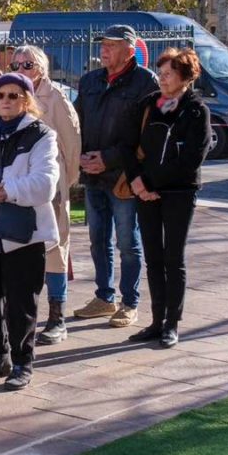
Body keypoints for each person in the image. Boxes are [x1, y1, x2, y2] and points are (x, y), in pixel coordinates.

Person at [0, 73, 59, 391]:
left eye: (14, 95)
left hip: (25, 234)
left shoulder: (41, 135)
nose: (6, 101)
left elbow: (45, 184)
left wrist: (2, 191)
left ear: (26, 99)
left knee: (22, 303)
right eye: (0, 96)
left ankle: (23, 362)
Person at [122, 48, 211, 349]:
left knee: (173, 258)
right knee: (153, 258)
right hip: (145, 193)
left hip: (179, 193)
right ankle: (156, 320)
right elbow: (127, 144)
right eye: (160, 73)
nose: (162, 78)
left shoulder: (196, 110)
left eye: (168, 73)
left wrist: (150, 182)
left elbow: (191, 158)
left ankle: (172, 323)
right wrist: (137, 181)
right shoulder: (148, 105)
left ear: (185, 77)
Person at [74, 24, 157, 328]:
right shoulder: (90, 81)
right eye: (103, 43)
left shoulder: (146, 83)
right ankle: (103, 297)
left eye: (111, 44)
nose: (103, 49)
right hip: (93, 176)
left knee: (127, 242)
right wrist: (81, 156)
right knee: (97, 240)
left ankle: (129, 302)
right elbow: (76, 123)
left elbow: (147, 135)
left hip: (123, 178)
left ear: (129, 50)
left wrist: (108, 159)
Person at [10, 45, 82, 345]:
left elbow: (72, 144)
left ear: (40, 68)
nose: (20, 69)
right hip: (18, 183)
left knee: (55, 248)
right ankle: (16, 313)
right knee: (15, 246)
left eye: (26, 64)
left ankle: (57, 317)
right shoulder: (10, 94)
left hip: (50, 183)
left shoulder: (56, 99)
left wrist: (64, 182)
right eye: (15, 64)